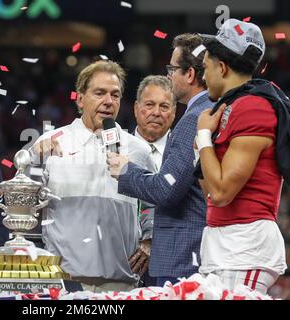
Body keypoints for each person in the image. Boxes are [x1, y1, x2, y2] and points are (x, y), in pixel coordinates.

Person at [29, 60, 154, 292]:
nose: (108, 101)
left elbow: (153, 203)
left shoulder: (138, 149)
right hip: (63, 280)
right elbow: (26, 204)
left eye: (115, 95)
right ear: (80, 98)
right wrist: (33, 164)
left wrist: (149, 240)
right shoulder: (50, 144)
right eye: (99, 93)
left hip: (121, 282)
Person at [107, 33, 213, 287]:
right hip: (187, 251)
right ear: (135, 108)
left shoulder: (193, 119)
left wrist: (125, 170)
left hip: (183, 254)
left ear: (189, 75)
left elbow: (166, 191)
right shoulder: (208, 111)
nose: (169, 75)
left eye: (172, 69)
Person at [196, 18, 290, 294]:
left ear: (222, 67)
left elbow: (223, 192)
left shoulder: (253, 107)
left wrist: (203, 138)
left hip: (245, 245)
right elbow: (211, 193)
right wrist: (202, 146)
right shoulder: (231, 108)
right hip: (225, 245)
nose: (203, 77)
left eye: (206, 68)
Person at [131, 75, 176, 287]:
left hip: (171, 260)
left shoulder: (186, 152)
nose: (156, 112)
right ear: (136, 108)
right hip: (119, 258)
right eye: (149, 105)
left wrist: (152, 239)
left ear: (174, 112)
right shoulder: (114, 148)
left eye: (164, 106)